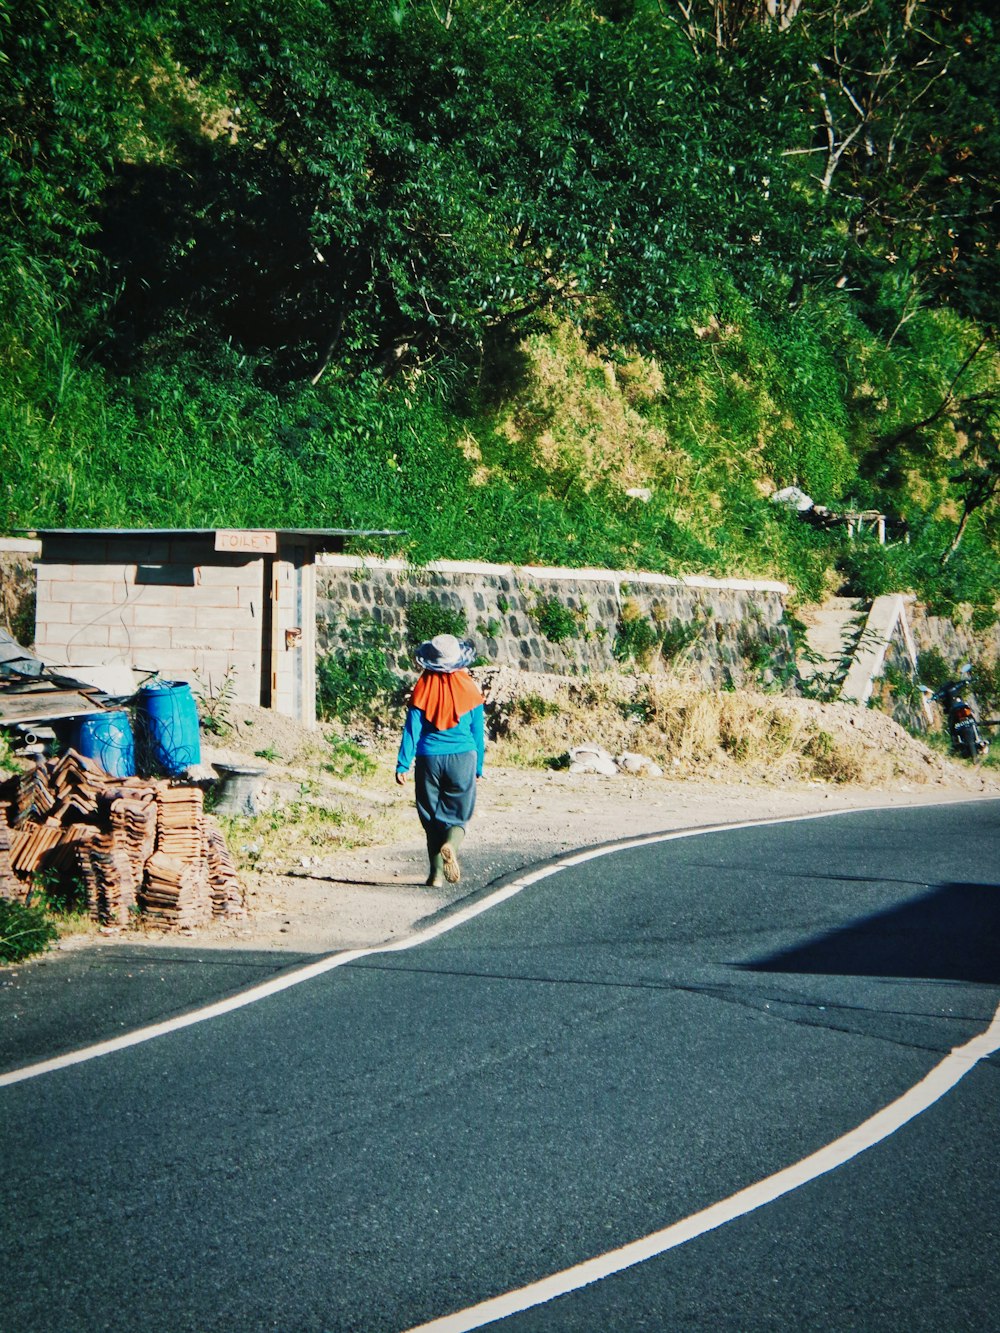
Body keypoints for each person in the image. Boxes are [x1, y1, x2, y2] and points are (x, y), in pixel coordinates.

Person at [395, 633, 485, 887]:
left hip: (428, 758)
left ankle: (435, 876)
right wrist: (478, 766)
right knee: (458, 813)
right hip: (463, 757)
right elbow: (478, 732)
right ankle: (451, 844)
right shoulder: (470, 688)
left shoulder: (422, 688)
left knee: (430, 816)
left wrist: (403, 763)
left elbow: (411, 729)